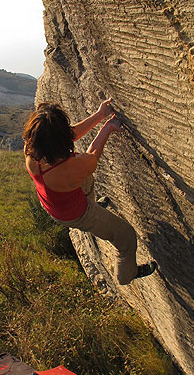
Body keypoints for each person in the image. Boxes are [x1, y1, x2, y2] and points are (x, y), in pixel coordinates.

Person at [23, 98, 156, 284]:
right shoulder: (68, 170)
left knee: (86, 180)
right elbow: (92, 156)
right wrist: (108, 127)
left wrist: (101, 114)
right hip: (76, 214)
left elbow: (68, 135)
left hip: (55, 202)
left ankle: (94, 206)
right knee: (126, 236)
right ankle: (127, 275)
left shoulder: (33, 150)